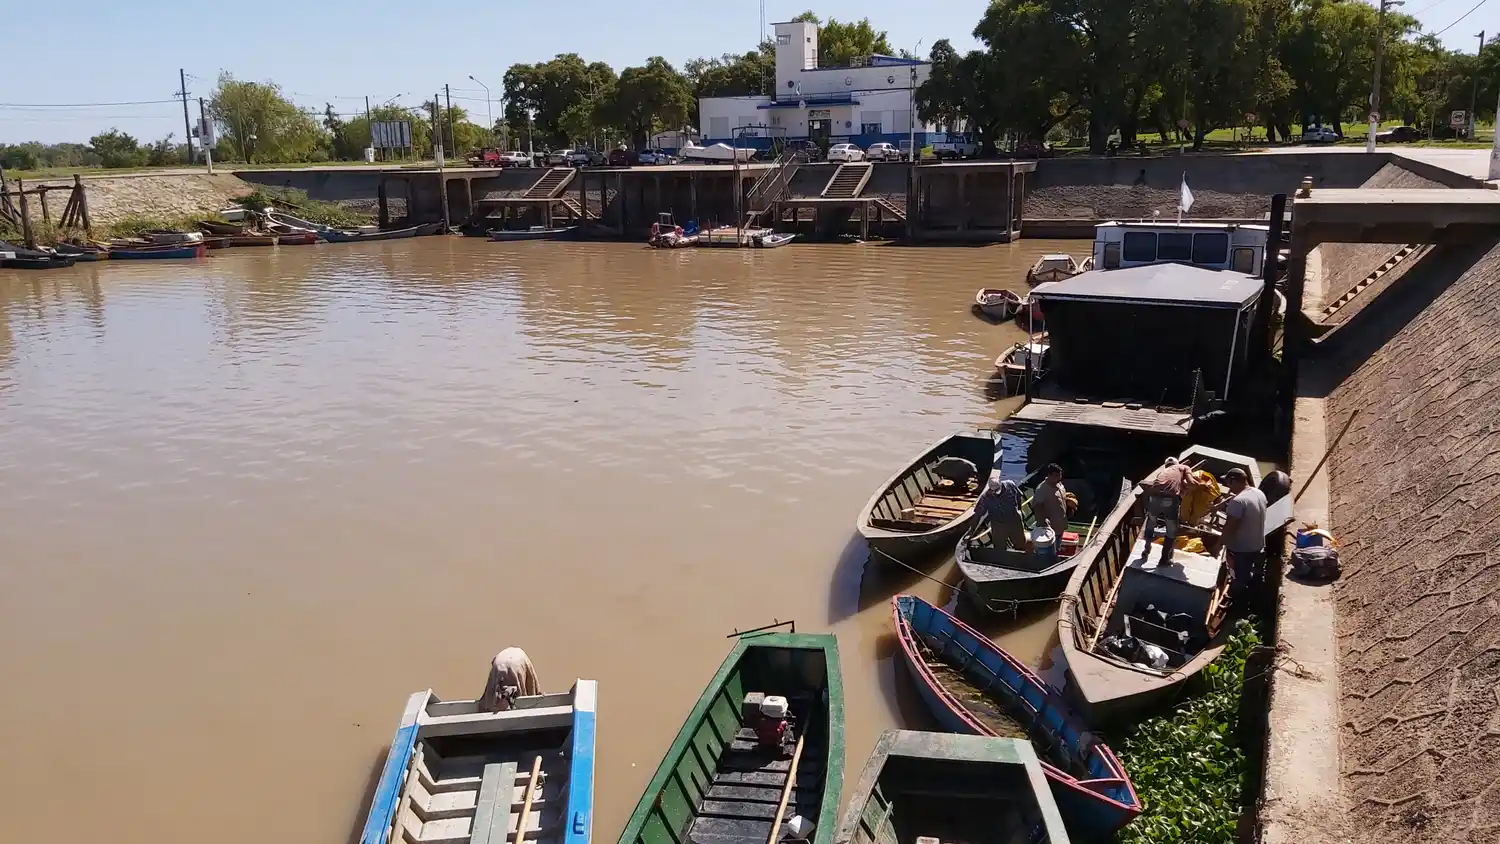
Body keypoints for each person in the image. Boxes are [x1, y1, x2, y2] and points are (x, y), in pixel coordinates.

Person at [1219, 467, 1268, 601]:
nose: (1229, 488)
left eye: (1229, 484)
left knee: (1239, 577)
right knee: (1256, 575)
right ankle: (1257, 598)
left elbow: (1230, 528)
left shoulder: (1238, 502)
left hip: (1242, 549)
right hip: (1258, 545)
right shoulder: (1259, 493)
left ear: (1234, 481)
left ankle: (1238, 603)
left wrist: (1218, 545)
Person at [1139, 457, 1200, 564]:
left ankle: (1146, 550)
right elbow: (1192, 483)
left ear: (1166, 466)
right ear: (1177, 463)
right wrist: (1199, 485)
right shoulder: (1184, 467)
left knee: (1151, 523)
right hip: (1170, 500)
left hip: (1153, 498)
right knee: (1171, 530)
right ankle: (1164, 559)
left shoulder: (1162, 472)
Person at [481, 647, 541, 712]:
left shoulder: (504, 657)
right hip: (515, 665)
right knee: (520, 697)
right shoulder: (521, 655)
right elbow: (532, 685)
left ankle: (492, 708)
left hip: (501, 666)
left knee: (494, 695)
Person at [976, 475, 1027, 551]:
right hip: (998, 525)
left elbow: (1018, 496)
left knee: (1020, 545)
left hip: (1015, 520)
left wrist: (1019, 510)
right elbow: (978, 514)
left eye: (997, 489)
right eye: (994, 490)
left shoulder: (1010, 484)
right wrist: (971, 531)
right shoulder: (985, 497)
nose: (996, 492)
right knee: (999, 549)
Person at [1032, 463, 1070, 537]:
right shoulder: (1042, 490)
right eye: (1056, 475)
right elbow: (1037, 507)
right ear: (1049, 475)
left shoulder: (1059, 484)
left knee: (1058, 544)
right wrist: (1043, 523)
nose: (1059, 477)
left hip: (1060, 523)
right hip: (1050, 528)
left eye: (1060, 475)